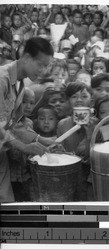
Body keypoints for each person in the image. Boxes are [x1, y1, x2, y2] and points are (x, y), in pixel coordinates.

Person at [0, 36, 53, 202]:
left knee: (6, 202)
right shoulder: (3, 79)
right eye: (41, 64)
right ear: (27, 57)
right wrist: (25, 147)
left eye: (47, 66)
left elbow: (14, 124)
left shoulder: (20, 85)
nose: (43, 71)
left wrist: (41, 139)